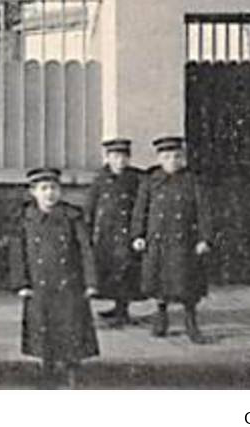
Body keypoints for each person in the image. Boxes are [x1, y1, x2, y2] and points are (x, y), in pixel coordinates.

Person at [9, 167, 99, 387]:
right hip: (40, 284)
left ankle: (71, 369)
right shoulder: (25, 218)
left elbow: (85, 249)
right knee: (43, 328)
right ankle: (47, 367)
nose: (49, 193)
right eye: (44, 188)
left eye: (54, 188)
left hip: (69, 283)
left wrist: (90, 281)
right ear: (33, 192)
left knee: (71, 327)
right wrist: (21, 282)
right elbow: (17, 252)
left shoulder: (72, 216)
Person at [132, 135, 213, 342]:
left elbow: (204, 211)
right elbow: (141, 210)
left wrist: (205, 238)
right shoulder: (151, 181)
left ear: (182, 158)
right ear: (159, 159)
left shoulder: (192, 180)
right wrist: (138, 235)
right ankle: (161, 317)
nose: (172, 161)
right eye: (167, 157)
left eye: (176, 157)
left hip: (184, 240)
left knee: (187, 283)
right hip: (158, 239)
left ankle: (191, 322)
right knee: (159, 282)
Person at [84, 137, 145, 327]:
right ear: (108, 158)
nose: (120, 161)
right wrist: (88, 229)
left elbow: (142, 206)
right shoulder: (100, 179)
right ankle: (116, 307)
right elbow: (90, 206)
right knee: (108, 271)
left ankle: (123, 310)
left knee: (126, 271)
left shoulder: (136, 179)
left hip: (127, 232)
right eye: (115, 157)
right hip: (105, 233)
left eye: (124, 157)